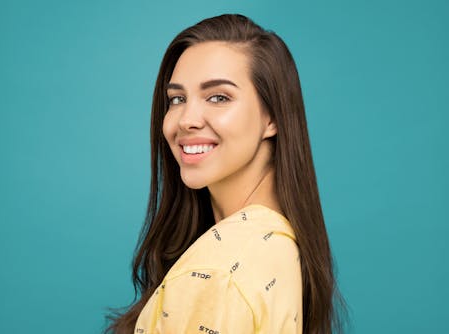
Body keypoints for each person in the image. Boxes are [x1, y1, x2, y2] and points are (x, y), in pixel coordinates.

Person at [107, 14, 345, 334]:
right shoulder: (278, 242)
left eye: (218, 97)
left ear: (272, 116)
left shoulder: (219, 274)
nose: (186, 119)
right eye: (177, 99)